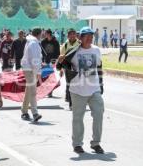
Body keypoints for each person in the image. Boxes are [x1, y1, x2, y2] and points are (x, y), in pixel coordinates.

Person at [63, 26, 105, 154]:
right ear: (80, 38)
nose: (89, 38)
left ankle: (96, 143)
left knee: (98, 114)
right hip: (77, 90)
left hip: (94, 90)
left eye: (91, 36)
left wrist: (101, 84)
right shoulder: (73, 51)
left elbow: (99, 67)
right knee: (78, 118)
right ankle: (77, 144)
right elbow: (61, 65)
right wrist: (61, 61)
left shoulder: (96, 50)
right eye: (86, 36)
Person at [20, 28, 43, 122]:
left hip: (29, 68)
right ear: (39, 34)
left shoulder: (32, 42)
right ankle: (35, 113)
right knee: (33, 91)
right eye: (42, 33)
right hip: (30, 69)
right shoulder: (33, 43)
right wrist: (38, 72)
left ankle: (24, 111)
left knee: (29, 91)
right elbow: (35, 60)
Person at [58, 29, 81, 110]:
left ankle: (76, 101)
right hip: (67, 67)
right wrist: (61, 70)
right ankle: (71, 102)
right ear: (68, 36)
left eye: (74, 34)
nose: (72, 36)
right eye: (71, 34)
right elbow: (61, 58)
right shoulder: (65, 45)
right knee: (70, 84)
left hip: (77, 66)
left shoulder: (79, 44)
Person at [41, 29, 60, 98]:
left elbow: (58, 52)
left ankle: (50, 91)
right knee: (45, 76)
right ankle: (46, 91)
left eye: (45, 33)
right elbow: (41, 52)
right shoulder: (43, 42)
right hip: (45, 61)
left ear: (49, 34)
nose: (44, 34)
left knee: (50, 77)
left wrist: (55, 61)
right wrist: (42, 60)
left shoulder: (55, 42)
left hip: (52, 62)